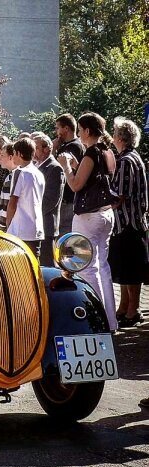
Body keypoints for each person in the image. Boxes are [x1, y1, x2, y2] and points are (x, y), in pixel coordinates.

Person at [58, 112, 118, 332]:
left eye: (81, 130)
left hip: (89, 216)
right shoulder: (108, 151)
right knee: (103, 267)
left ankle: (97, 320)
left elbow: (75, 185)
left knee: (87, 267)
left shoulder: (92, 152)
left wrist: (66, 166)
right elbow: (94, 179)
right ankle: (110, 321)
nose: (80, 134)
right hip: (106, 214)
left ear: (86, 130)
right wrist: (76, 165)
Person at [108, 117, 147, 328]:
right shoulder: (131, 157)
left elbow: (119, 195)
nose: (113, 137)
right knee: (125, 268)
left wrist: (102, 202)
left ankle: (133, 309)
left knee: (131, 269)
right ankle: (125, 306)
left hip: (128, 223)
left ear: (122, 137)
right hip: (130, 223)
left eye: (115, 133)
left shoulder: (125, 161)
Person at [6, 138, 45, 257]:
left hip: (20, 230)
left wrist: (8, 225)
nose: (12, 157)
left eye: (14, 153)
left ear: (20, 154)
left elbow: (13, 202)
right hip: (36, 229)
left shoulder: (20, 172)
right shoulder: (39, 173)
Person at [33, 133, 64, 266]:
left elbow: (51, 200)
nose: (33, 151)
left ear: (47, 149)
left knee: (47, 265)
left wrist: (32, 210)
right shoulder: (36, 166)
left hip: (46, 224)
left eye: (36, 147)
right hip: (36, 224)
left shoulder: (54, 168)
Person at [54, 113, 86, 235]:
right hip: (66, 197)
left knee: (65, 233)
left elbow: (58, 169)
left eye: (58, 128)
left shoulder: (74, 146)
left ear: (66, 128)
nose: (56, 131)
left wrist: (53, 149)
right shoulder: (67, 145)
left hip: (69, 198)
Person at [0, 142, 16, 230]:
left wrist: (2, 224)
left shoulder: (14, 178)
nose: (0, 159)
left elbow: (9, 205)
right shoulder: (9, 176)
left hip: (8, 228)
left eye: (2, 155)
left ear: (10, 157)